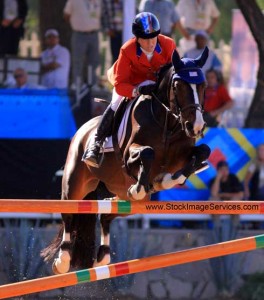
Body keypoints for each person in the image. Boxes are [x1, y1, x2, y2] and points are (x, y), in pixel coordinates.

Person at [82, 12, 177, 168]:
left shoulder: (168, 44)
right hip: (130, 83)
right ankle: (96, 144)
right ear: (137, 38)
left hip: (156, 83)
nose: (151, 43)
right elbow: (120, 84)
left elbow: (175, 72)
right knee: (116, 102)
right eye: (146, 39)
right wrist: (137, 91)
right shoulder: (127, 49)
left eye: (154, 38)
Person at [63, 0, 102, 88]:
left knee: (94, 60)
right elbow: (66, 15)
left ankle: (93, 83)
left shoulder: (98, 1)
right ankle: (77, 83)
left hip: (94, 34)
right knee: (78, 60)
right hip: (79, 34)